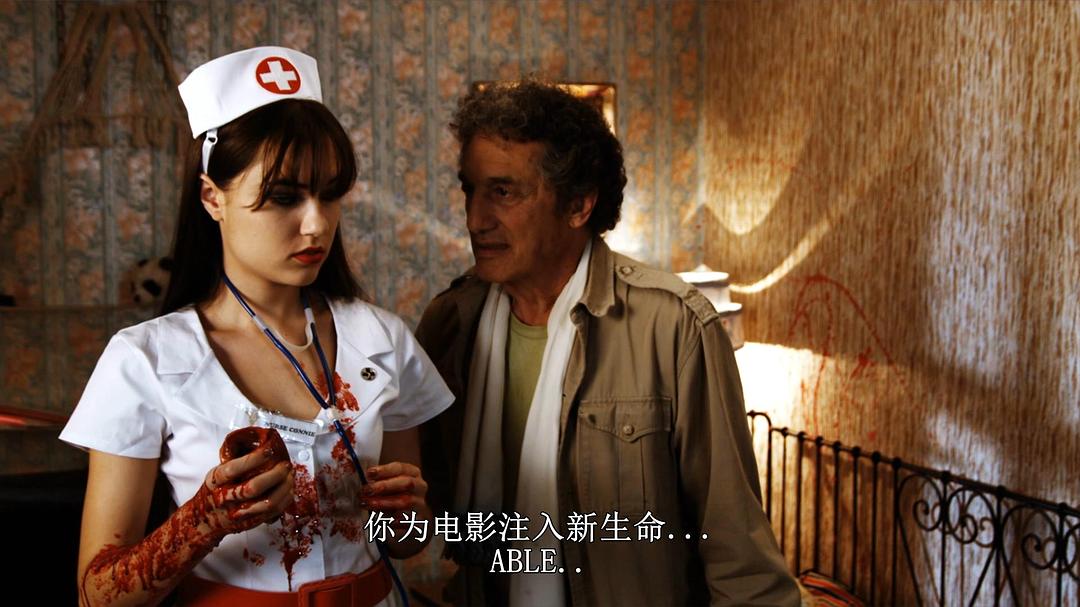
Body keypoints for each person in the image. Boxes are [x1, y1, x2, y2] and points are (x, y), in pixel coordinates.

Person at [60, 46, 453, 607]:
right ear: (212, 197)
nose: (316, 224)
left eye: (330, 195)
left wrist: (410, 515)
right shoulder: (147, 359)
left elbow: (405, 544)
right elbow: (96, 595)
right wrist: (204, 519)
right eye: (284, 198)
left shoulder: (382, 340)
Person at [416, 80, 800, 606]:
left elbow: (739, 555)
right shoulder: (450, 323)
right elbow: (425, 511)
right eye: (471, 190)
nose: (475, 219)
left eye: (503, 192)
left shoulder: (673, 327)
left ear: (578, 204)